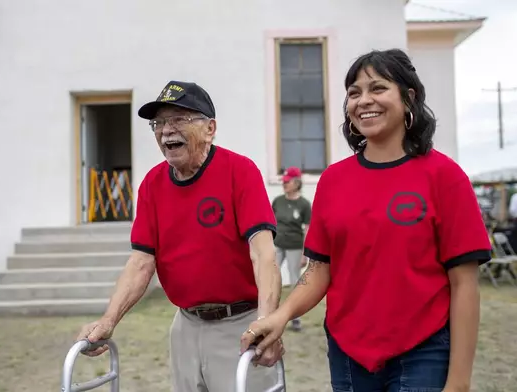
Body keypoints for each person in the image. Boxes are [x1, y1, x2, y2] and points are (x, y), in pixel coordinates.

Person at [239, 49, 492, 392]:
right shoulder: (333, 180)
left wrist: (459, 381)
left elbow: (464, 285)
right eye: (354, 92)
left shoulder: (444, 176)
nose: (363, 100)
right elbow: (320, 269)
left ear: (409, 97)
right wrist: (281, 315)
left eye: (377, 88)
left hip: (423, 351)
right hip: (347, 354)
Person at [76, 80, 284, 391]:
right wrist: (108, 320)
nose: (166, 130)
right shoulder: (152, 185)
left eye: (179, 119)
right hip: (185, 325)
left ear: (210, 129)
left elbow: (263, 253)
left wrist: (267, 323)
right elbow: (141, 262)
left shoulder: (239, 171)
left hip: (242, 323)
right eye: (159, 122)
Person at [271, 166, 311, 332]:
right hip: (277, 244)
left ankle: (296, 319)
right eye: (284, 182)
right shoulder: (278, 201)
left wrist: (305, 253)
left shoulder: (304, 205)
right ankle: (269, 315)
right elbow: (271, 222)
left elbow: (308, 229)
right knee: (271, 278)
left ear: (297, 183)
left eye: (288, 182)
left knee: (295, 281)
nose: (284, 185)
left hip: (295, 246)